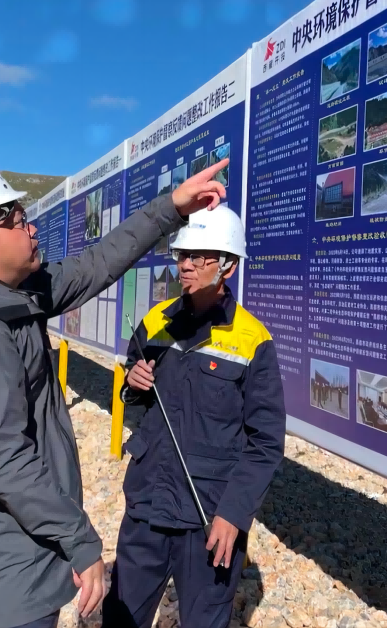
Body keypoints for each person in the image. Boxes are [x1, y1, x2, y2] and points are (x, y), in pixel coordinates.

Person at [0, 155, 229, 628]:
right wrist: (79, 540)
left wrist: (171, 208)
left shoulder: (8, 294)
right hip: (3, 580)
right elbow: (1, 459)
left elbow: (92, 266)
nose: (32, 229)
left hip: (20, 556)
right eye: (18, 220)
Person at [102, 206, 286, 628]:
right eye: (182, 254)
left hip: (209, 519)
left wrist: (234, 514)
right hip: (147, 504)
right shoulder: (154, 321)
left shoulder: (253, 341)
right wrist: (133, 382)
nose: (185, 264)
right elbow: (134, 393)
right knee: (121, 618)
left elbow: (265, 442)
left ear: (228, 266)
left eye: (198, 256)